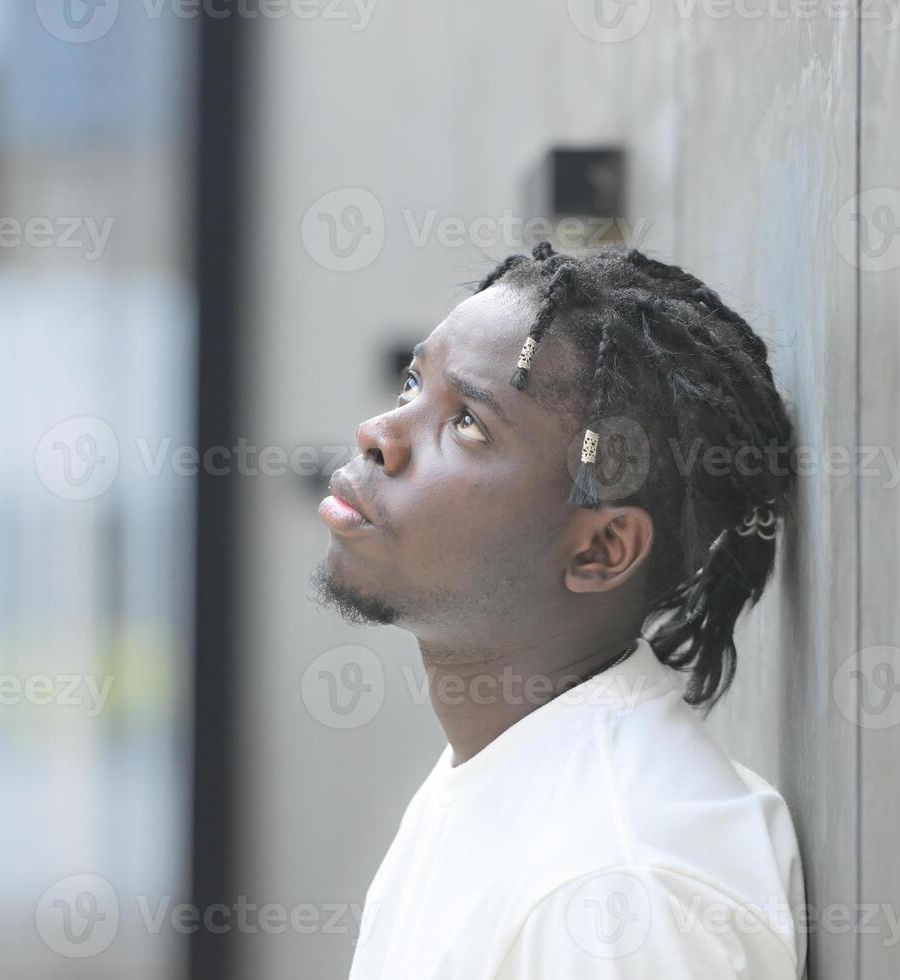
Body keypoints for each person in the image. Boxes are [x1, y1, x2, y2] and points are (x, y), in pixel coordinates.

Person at [314, 243, 805, 978]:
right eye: (414, 382)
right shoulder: (505, 769)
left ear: (600, 550)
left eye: (468, 423)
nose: (380, 435)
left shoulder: (614, 894)